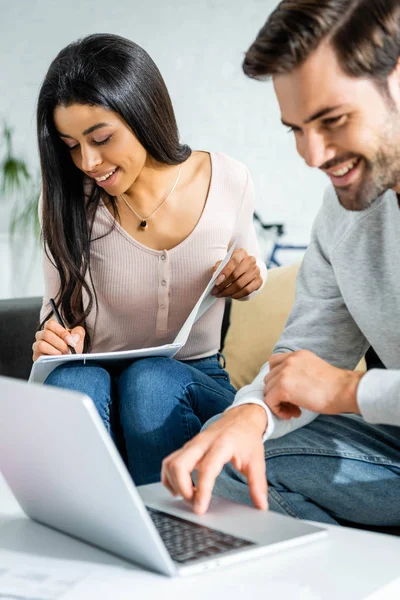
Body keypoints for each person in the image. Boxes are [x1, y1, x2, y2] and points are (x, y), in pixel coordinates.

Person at [161, 0, 400, 529]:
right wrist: (248, 417)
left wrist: (346, 391)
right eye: (296, 128)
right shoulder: (346, 213)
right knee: (230, 465)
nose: (312, 155)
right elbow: (305, 353)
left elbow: (327, 382)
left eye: (333, 120)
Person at [32, 33, 267, 486]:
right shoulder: (65, 200)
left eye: (101, 138)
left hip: (191, 381)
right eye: (71, 145)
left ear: (142, 113)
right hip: (94, 375)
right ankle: (104, 533)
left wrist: (247, 278)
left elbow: (249, 272)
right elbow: (55, 311)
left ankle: (175, 532)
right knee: (71, 389)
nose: (89, 161)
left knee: (150, 382)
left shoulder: (227, 180)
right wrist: (51, 339)